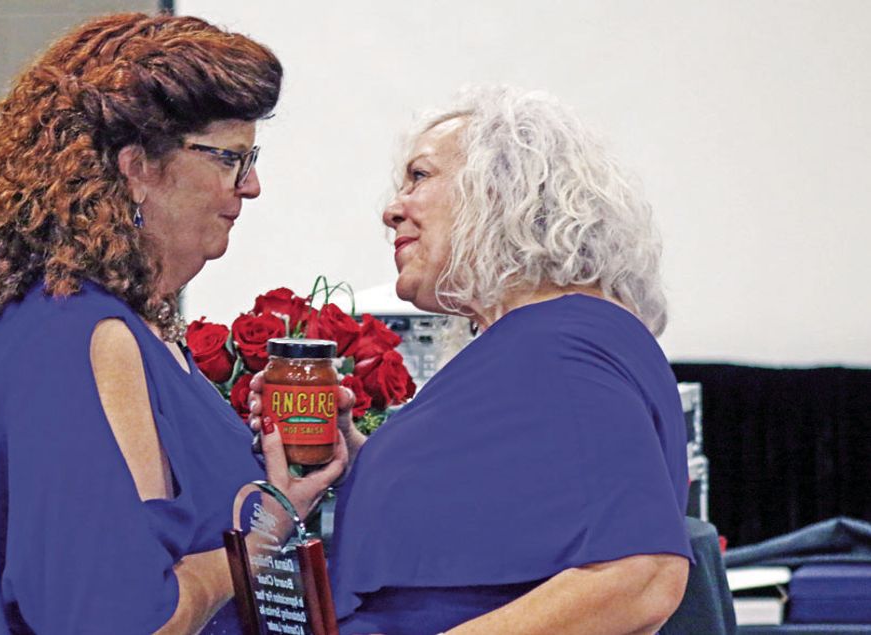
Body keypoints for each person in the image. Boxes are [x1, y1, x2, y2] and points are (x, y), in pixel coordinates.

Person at [0, 13, 345, 634]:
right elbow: (130, 622)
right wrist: (258, 546)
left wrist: (277, 500)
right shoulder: (84, 336)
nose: (252, 186)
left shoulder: (27, 317)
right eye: (229, 159)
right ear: (136, 168)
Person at [249, 85, 693, 634]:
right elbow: (488, 526)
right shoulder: (532, 345)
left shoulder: (565, 337)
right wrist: (355, 457)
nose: (392, 210)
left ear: (504, 187)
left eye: (420, 176)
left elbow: (641, 576)